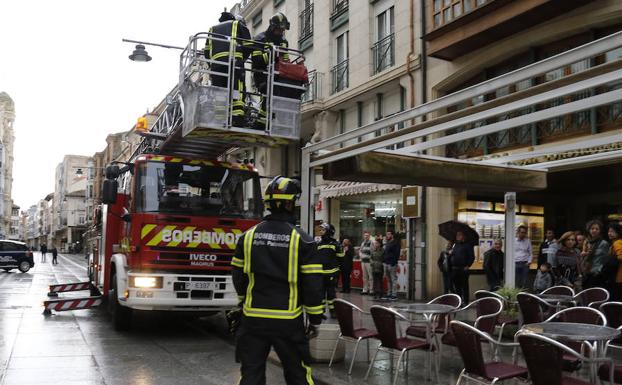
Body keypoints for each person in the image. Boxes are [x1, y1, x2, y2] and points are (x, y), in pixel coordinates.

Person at [230, 176, 323, 385]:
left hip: (253, 319)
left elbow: (238, 276)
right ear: (290, 203)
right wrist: (315, 318)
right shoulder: (303, 240)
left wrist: (243, 301)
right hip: (288, 321)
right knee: (298, 374)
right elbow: (313, 285)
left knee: (251, 374)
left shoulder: (247, 237)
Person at [204, 11, 253, 127]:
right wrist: (241, 59)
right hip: (234, 64)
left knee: (220, 94)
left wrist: (213, 65)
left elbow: (206, 52)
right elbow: (249, 46)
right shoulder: (237, 24)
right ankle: (237, 118)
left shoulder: (212, 29)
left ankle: (220, 119)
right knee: (237, 90)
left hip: (216, 67)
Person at [251, 12, 292, 130]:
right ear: (273, 27)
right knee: (267, 94)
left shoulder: (283, 41)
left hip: (277, 75)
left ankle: (272, 120)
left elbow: (285, 59)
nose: (281, 32)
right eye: (279, 29)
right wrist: (272, 54)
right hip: (262, 73)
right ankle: (261, 123)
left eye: (283, 30)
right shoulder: (260, 39)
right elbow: (257, 61)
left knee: (280, 95)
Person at [317, 222, 343, 317]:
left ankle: (333, 311)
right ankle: (321, 311)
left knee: (331, 294)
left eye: (323, 230)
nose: (321, 232)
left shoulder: (335, 244)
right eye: (321, 230)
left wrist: (338, 272)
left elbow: (341, 258)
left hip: (332, 274)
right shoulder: (319, 244)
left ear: (328, 231)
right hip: (321, 274)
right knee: (321, 295)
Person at [581, 220, 610, 289]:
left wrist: (598, 271)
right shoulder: (586, 242)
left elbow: (605, 260)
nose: (594, 230)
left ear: (600, 231)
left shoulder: (604, 243)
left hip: (596, 274)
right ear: (589, 230)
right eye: (592, 228)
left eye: (597, 229)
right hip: (585, 273)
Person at [449, 231, 475, 304]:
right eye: (457, 235)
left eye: (460, 235)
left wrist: (468, 265)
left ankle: (466, 302)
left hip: (463, 269)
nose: (458, 236)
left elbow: (472, 257)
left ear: (464, 236)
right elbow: (452, 255)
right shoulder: (455, 245)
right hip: (455, 269)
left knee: (464, 287)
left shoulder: (468, 245)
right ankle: (459, 301)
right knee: (456, 287)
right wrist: (450, 253)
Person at [383, 230, 400, 300]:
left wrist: (394, 262)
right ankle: (389, 293)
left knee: (393, 279)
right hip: (386, 263)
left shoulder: (395, 243)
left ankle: (394, 294)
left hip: (392, 263)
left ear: (392, 235)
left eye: (389, 234)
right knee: (389, 280)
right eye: (387, 234)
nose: (387, 236)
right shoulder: (388, 243)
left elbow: (397, 253)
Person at [609, 222, 622, 300]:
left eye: (612, 231)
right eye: (609, 231)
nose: (609, 233)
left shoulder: (617, 242)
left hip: (619, 277)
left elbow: (620, 257)